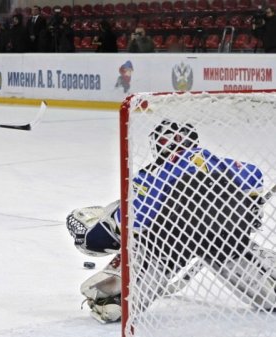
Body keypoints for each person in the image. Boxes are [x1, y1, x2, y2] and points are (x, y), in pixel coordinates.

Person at [66, 119, 276, 322]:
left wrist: (103, 237)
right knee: (268, 297)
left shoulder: (150, 175)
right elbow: (252, 173)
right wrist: (252, 206)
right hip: (222, 240)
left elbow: (135, 219)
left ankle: (116, 298)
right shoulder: (216, 162)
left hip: (170, 245)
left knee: (112, 303)